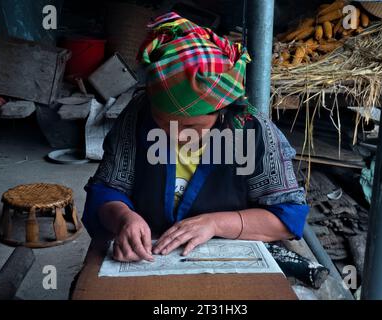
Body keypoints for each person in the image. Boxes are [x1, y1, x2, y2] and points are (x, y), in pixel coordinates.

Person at [82, 12, 309, 262]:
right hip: (149, 256)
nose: (175, 135)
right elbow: (106, 190)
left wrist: (217, 224)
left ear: (222, 112)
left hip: (225, 260)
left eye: (192, 125)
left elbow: (288, 216)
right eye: (163, 122)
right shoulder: (138, 115)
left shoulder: (251, 131)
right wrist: (123, 217)